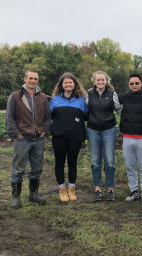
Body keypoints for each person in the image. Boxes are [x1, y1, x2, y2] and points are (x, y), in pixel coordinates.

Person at [6, 69, 50, 209]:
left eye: (35, 79)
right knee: (18, 169)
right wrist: (16, 134)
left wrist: (44, 131)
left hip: (38, 138)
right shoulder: (15, 96)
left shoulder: (42, 97)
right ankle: (16, 197)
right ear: (25, 79)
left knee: (37, 168)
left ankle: (33, 194)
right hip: (22, 138)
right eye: (30, 78)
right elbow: (10, 118)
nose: (33, 81)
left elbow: (48, 117)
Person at [50, 72, 88, 203]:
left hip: (75, 137)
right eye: (65, 82)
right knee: (59, 162)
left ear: (74, 84)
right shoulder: (55, 100)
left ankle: (71, 189)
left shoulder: (81, 100)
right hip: (59, 137)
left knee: (72, 162)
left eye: (70, 82)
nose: (68, 84)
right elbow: (49, 116)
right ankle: (62, 189)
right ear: (61, 85)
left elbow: (86, 116)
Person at [86, 71, 121, 202]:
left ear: (107, 81)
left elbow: (118, 109)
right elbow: (84, 110)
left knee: (109, 161)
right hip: (93, 130)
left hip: (109, 130)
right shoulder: (89, 94)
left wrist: (131, 122)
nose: (100, 82)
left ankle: (110, 189)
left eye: (103, 80)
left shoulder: (112, 94)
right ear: (94, 81)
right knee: (95, 161)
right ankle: (97, 189)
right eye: (98, 80)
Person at [118, 74, 142, 202]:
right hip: (127, 137)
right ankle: (133, 191)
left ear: (141, 84)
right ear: (128, 85)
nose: (134, 85)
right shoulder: (124, 97)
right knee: (130, 166)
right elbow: (109, 97)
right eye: (131, 83)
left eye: (136, 83)